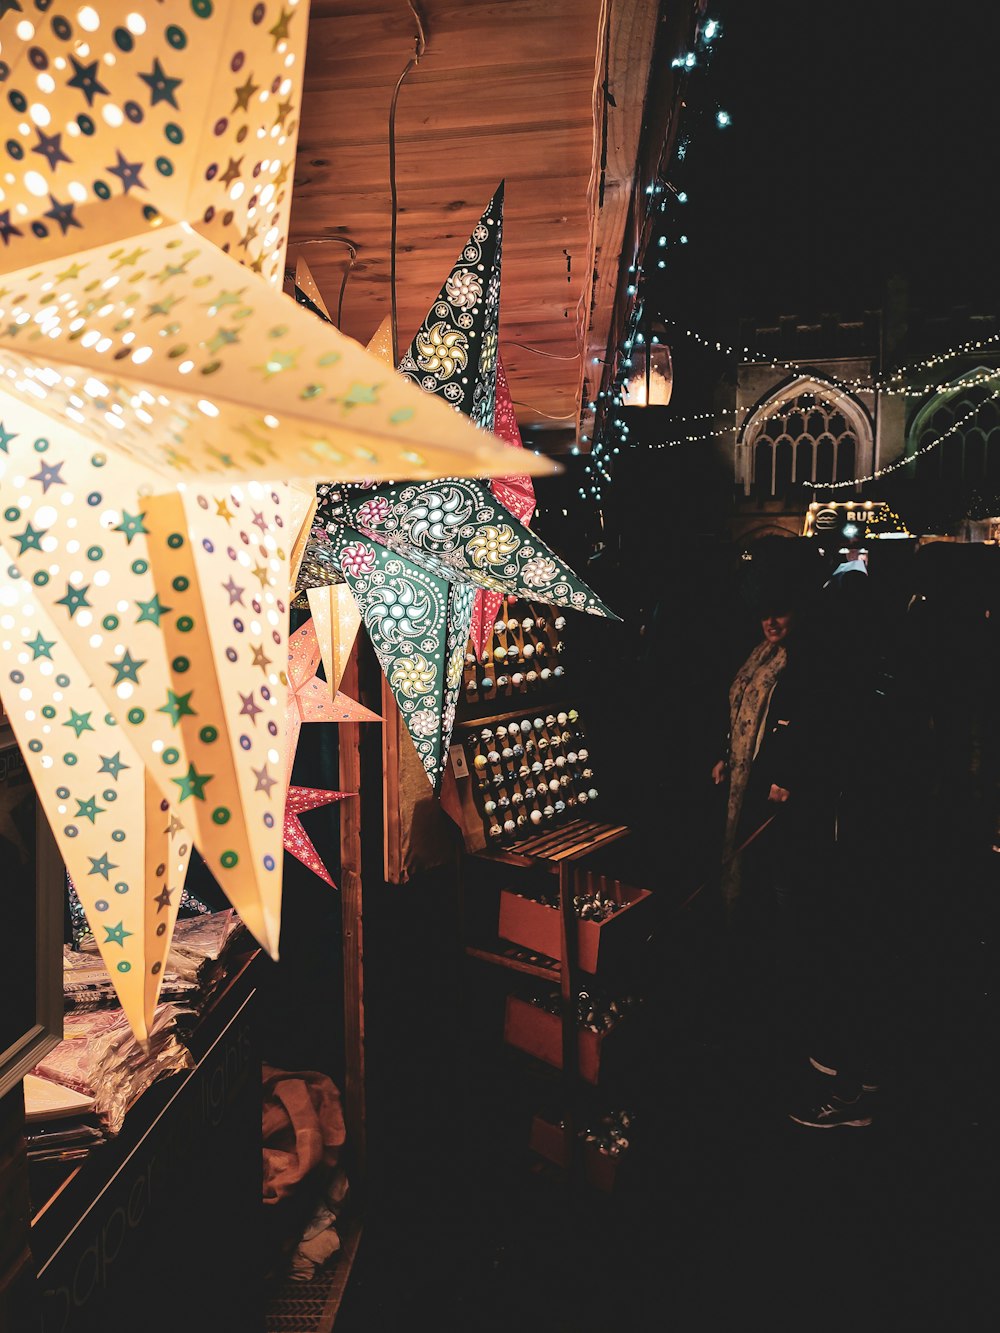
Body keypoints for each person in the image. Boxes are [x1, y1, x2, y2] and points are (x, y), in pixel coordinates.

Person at [711, 581, 884, 1128]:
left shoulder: (829, 673)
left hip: (827, 840)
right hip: (829, 840)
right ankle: (849, 1068)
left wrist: (789, 775)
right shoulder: (844, 669)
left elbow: (821, 743)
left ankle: (847, 1083)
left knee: (825, 946)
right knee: (827, 946)